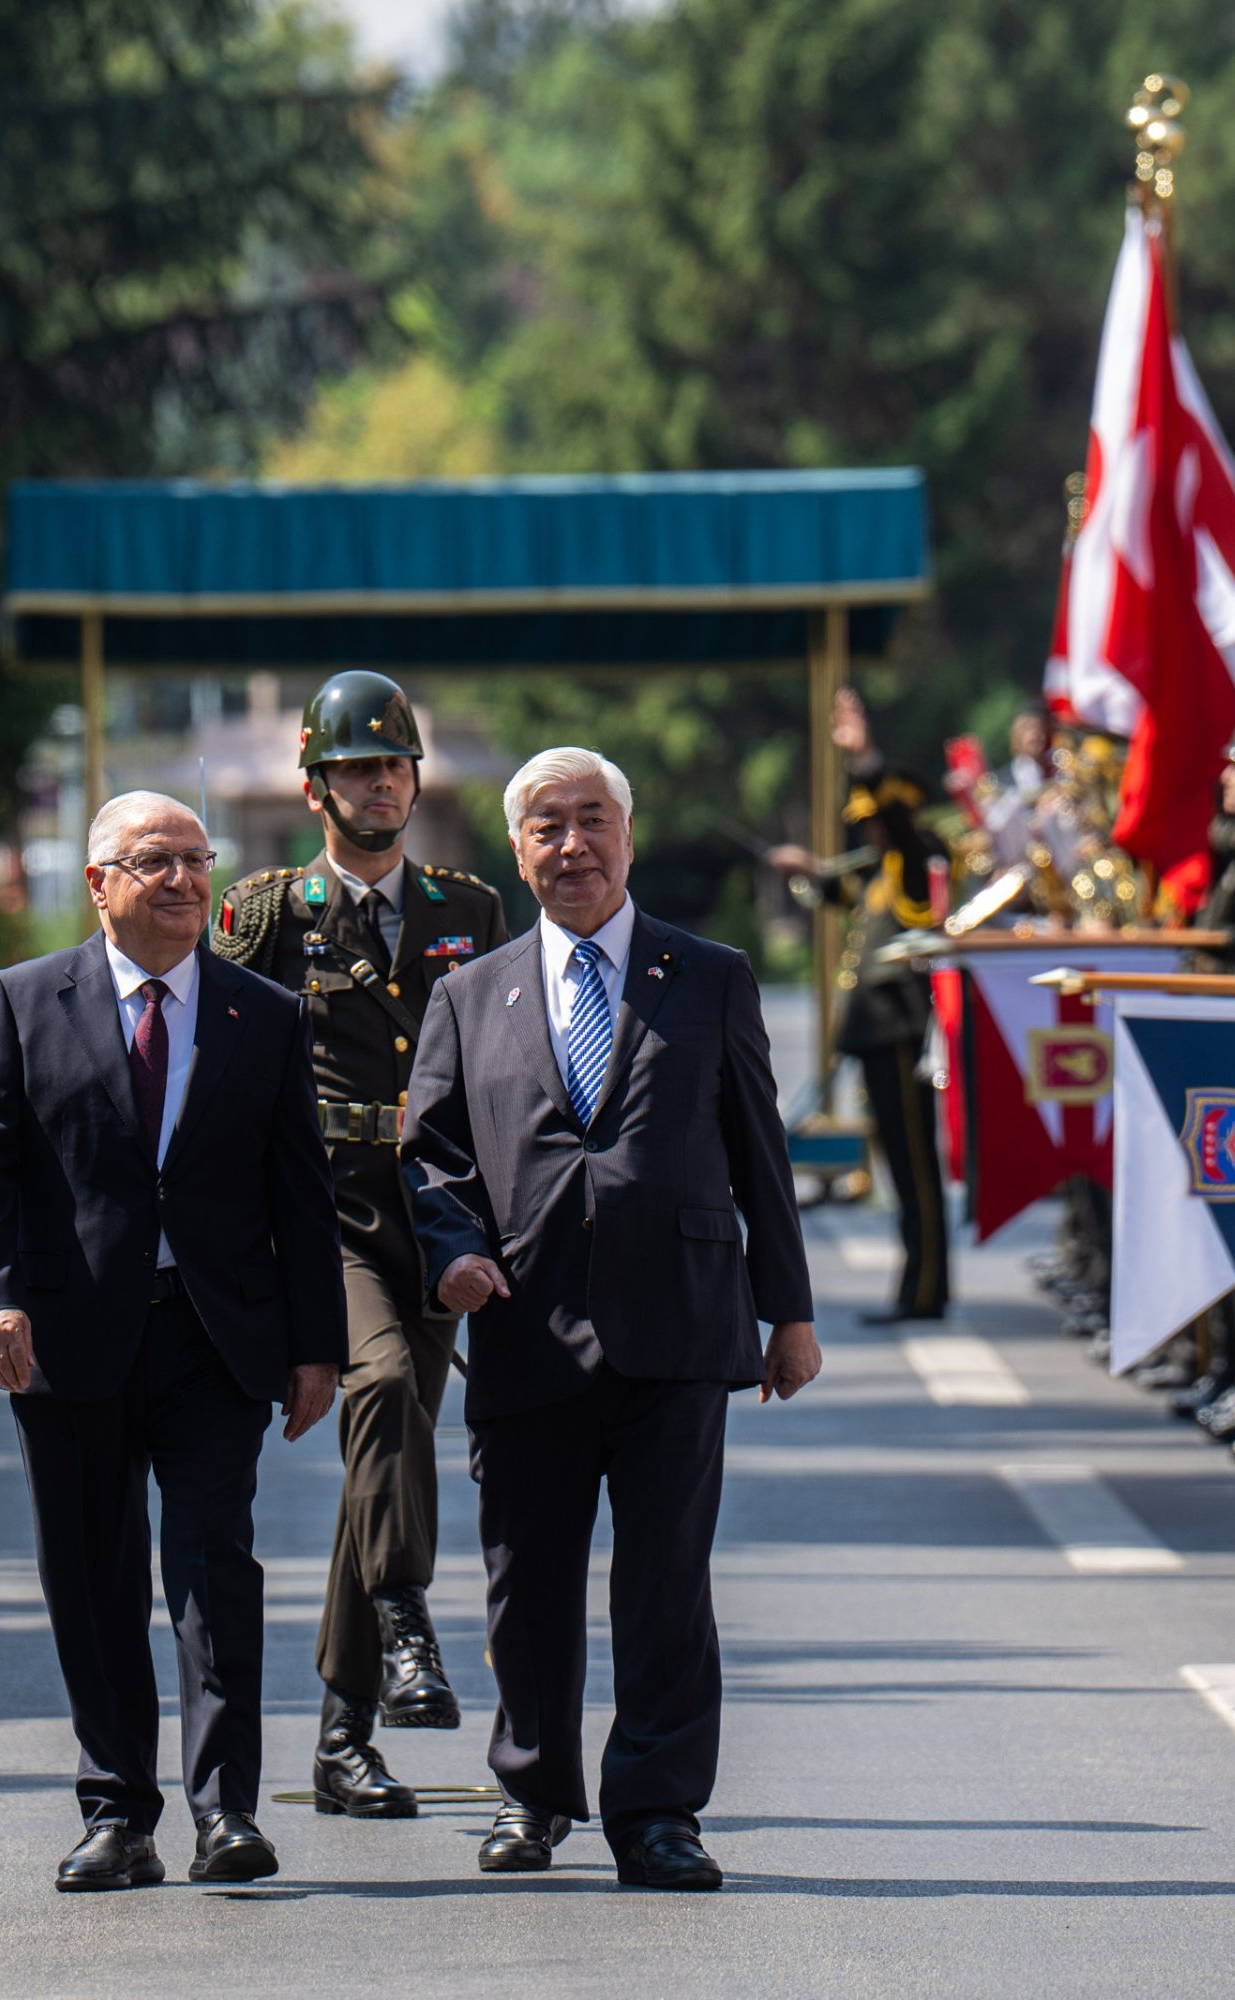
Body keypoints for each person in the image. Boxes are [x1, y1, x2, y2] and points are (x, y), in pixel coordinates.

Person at [405, 746, 818, 1891]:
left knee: (667, 1580)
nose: (573, 843)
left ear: (629, 837)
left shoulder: (711, 976)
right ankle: (533, 1792)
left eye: (593, 819)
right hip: (526, 1324)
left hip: (679, 1321)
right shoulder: (468, 995)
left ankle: (659, 1809)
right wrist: (453, 1254)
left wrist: (788, 1310)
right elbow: (432, 1157)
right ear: (518, 849)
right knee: (526, 1578)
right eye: (548, 825)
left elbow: (760, 1151)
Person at [0, 790, 345, 1892]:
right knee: (92, 1575)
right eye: (154, 861)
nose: (182, 880)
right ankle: (118, 1812)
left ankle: (227, 1811)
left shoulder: (264, 1013)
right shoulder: (23, 1001)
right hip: (66, 1338)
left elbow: (302, 1195)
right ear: (99, 884)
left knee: (214, 1566)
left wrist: (317, 1344)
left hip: (215, 1338)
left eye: (195, 860)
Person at [213, 670, 507, 1819]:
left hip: (433, 1217)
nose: (378, 784)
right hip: (323, 1217)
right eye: (354, 769)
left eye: (393, 765)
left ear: (415, 780)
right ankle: (405, 1615)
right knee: (379, 1388)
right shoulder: (267, 915)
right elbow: (221, 1074)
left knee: (380, 1463)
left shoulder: (468, 910)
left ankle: (343, 1741)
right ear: (315, 787)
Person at [769, 686, 951, 1322]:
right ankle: (916, 1286)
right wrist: (803, 867)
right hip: (878, 1037)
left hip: (900, 1032)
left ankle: (925, 1290)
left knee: (915, 1168)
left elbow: (901, 836)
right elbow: (834, 886)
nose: (867, 830)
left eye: (875, 819)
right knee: (900, 1165)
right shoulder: (879, 876)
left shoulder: (916, 863)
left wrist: (865, 757)